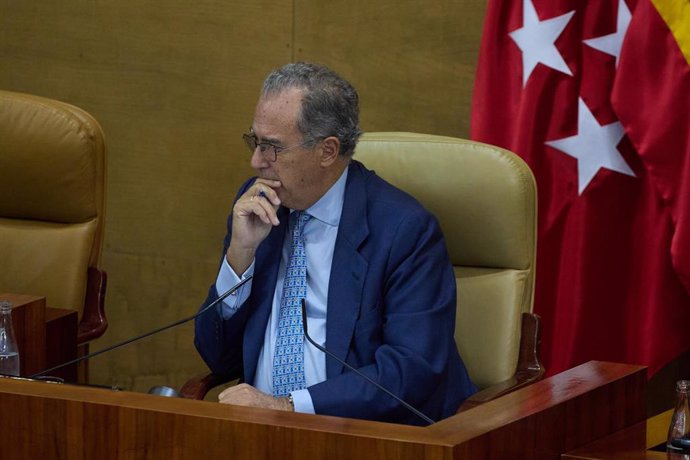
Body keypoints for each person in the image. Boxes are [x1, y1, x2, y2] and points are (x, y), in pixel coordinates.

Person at [194, 62, 476, 425]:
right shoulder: (258, 207)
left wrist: (289, 406)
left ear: (327, 151)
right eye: (254, 141)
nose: (256, 161)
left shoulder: (405, 230)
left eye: (272, 148)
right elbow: (218, 358)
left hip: (359, 434)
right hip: (258, 434)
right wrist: (240, 255)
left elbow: (410, 371)